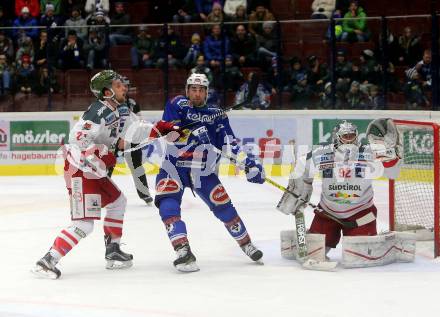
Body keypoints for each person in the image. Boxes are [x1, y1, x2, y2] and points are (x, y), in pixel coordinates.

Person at [31, 70, 181, 279]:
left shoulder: (121, 111)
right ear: (106, 91)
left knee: (118, 201)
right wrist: (102, 154)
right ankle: (48, 260)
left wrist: (163, 128)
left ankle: (113, 251)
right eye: (119, 85)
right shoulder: (97, 111)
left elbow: (136, 130)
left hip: (94, 171)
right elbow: (78, 140)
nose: (124, 88)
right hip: (79, 170)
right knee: (84, 224)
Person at [154, 73, 264, 272]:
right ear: (187, 91)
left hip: (202, 171)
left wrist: (248, 164)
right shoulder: (177, 104)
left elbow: (230, 144)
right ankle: (183, 251)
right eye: (193, 89)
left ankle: (246, 244)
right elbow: (170, 133)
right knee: (167, 204)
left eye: (201, 90)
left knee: (225, 208)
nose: (196, 94)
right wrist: (184, 132)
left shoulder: (217, 114)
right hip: (174, 167)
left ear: (206, 92)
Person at [277, 120, 401, 260]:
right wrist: (299, 192)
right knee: (314, 253)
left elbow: (392, 171)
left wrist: (392, 151)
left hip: (361, 213)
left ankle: (392, 244)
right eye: (345, 136)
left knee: (360, 256)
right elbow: (302, 166)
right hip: (328, 213)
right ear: (337, 137)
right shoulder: (322, 153)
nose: (349, 140)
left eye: (352, 136)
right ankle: (301, 240)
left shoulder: (368, 151)